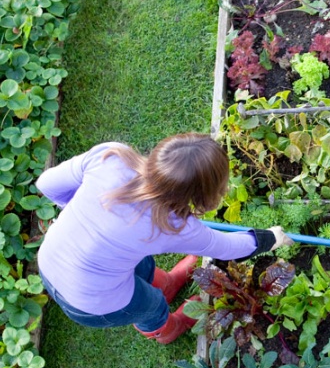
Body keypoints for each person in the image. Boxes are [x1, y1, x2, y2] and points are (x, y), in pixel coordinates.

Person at [35, 133, 292, 345]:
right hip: (89, 301)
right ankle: (167, 330)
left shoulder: (111, 157)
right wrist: (271, 238)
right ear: (203, 195)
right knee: (151, 305)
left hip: (50, 260)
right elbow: (227, 247)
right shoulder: (173, 226)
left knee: (140, 263)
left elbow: (46, 184)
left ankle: (167, 283)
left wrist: (80, 213)